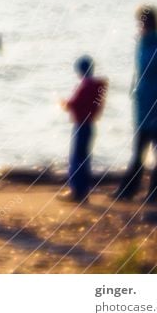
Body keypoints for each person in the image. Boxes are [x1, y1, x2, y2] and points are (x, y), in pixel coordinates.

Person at [114, 5, 157, 204]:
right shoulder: (141, 44)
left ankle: (155, 193)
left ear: (149, 23)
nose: (139, 26)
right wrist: (134, 92)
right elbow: (139, 74)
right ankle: (127, 191)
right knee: (138, 152)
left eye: (141, 22)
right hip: (142, 109)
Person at [59, 56, 107, 203]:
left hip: (81, 125)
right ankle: (83, 191)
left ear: (80, 71)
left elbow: (73, 105)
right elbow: (94, 106)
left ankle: (76, 192)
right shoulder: (98, 86)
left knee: (76, 159)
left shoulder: (84, 87)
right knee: (85, 159)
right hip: (91, 125)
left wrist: (63, 104)